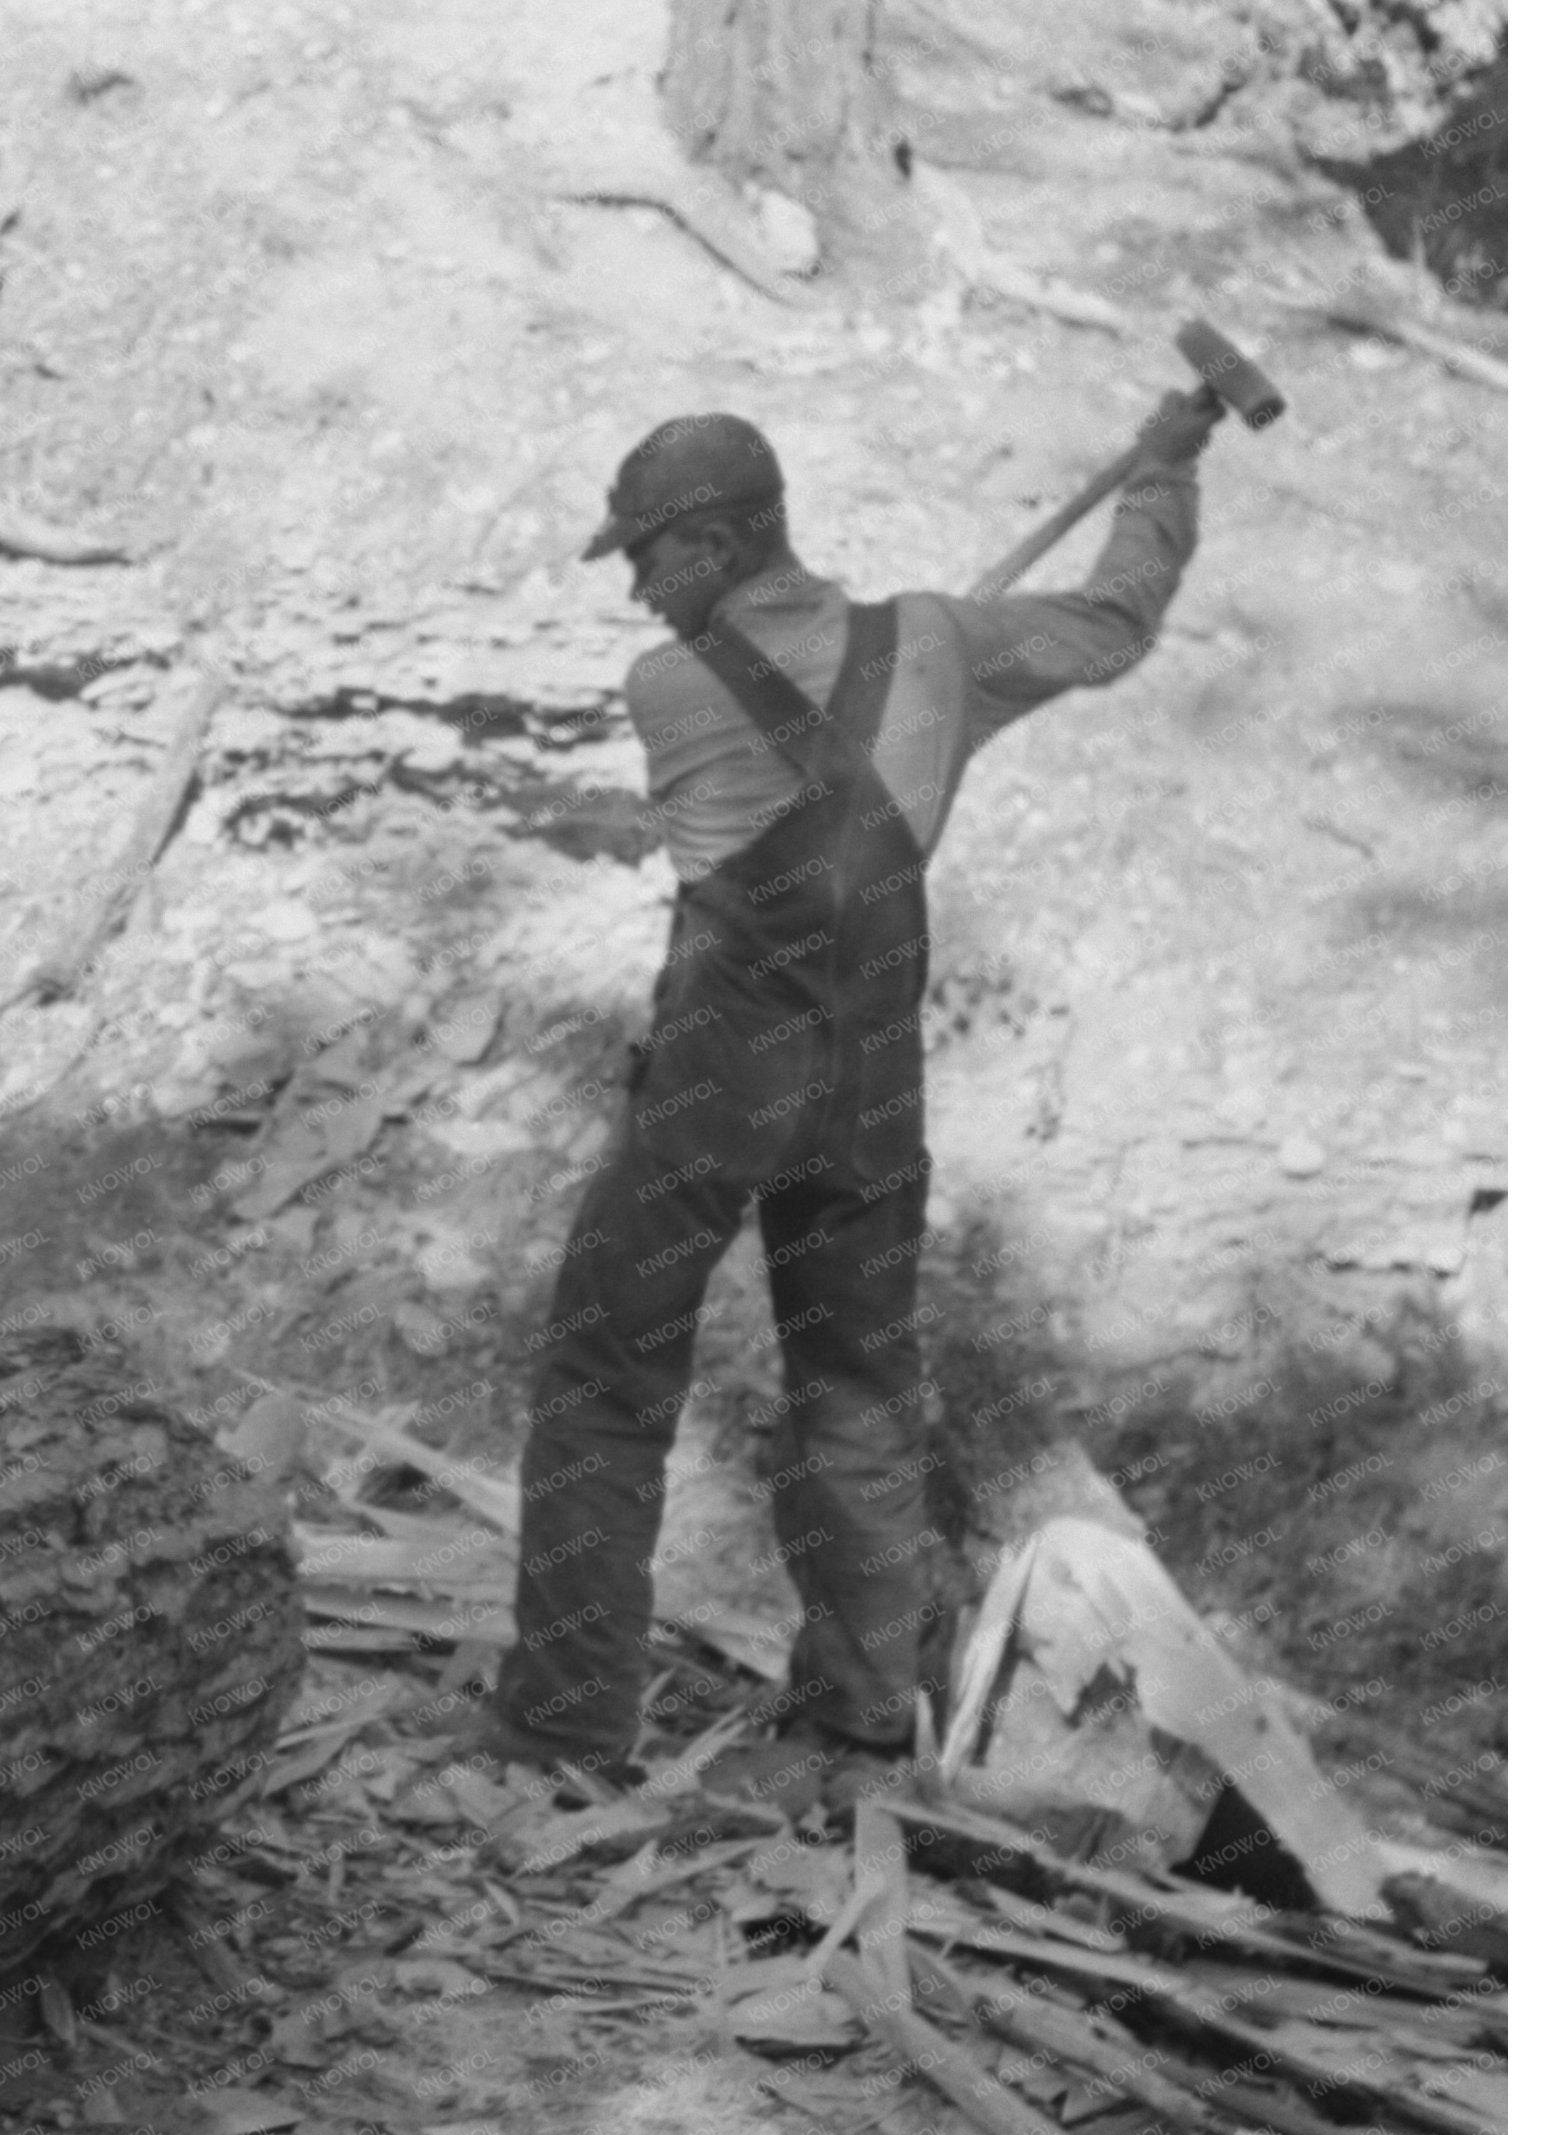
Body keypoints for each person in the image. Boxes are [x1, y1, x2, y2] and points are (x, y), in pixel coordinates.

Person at [482, 391, 1221, 1791]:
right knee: (856, 1388)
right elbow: (1115, 622)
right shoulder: (938, 643)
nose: (637, 588)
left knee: (607, 1378)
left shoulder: (668, 685)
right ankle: (855, 1723)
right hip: (870, 1080)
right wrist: (1163, 472)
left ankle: (563, 1723)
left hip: (723, 1078)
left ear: (713, 545)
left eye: (647, 555)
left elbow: (779, 785)